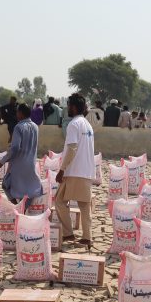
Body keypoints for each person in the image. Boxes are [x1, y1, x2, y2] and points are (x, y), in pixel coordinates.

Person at [55, 93, 95, 246]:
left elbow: (72, 148)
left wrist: (62, 169)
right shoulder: (87, 124)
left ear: (73, 107)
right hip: (86, 170)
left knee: (59, 201)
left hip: (73, 171)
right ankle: (86, 237)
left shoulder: (73, 124)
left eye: (69, 106)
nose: (67, 109)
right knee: (84, 205)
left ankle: (68, 234)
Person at [0, 103, 42, 203]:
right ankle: (23, 210)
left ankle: (17, 207)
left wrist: (2, 161)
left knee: (6, 185)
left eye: (17, 112)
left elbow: (15, 148)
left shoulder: (19, 127)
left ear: (20, 113)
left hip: (19, 164)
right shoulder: (35, 127)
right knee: (28, 191)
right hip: (31, 163)